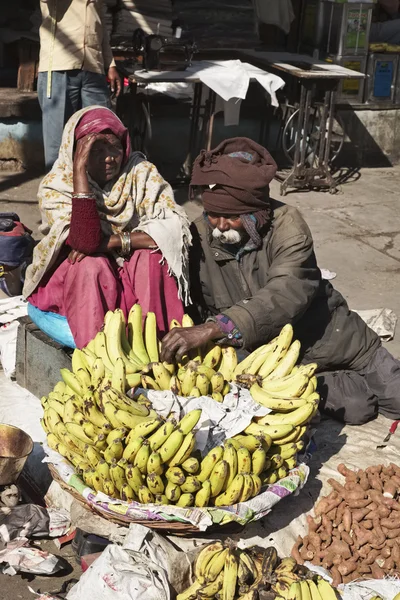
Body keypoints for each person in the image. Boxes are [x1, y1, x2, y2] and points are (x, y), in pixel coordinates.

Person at [160, 137, 400, 426]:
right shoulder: (200, 234)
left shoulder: (288, 225)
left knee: (396, 397)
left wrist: (213, 328)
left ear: (255, 211)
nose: (220, 226)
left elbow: (285, 293)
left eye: (230, 216)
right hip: (280, 361)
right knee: (358, 409)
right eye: (213, 215)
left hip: (333, 341)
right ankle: (325, 384)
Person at [23, 106, 191, 348]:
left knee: (151, 260)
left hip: (129, 276)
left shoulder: (140, 173)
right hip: (78, 282)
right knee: (91, 264)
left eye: (115, 147)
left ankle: (160, 345)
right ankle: (99, 356)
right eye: (96, 150)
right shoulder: (58, 184)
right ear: (75, 152)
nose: (110, 157)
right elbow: (85, 243)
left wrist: (113, 241)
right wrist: (80, 173)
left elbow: (173, 228)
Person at [38, 0, 122, 171]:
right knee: (58, 138)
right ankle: (56, 191)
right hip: (60, 66)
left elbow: (101, 27)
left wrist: (110, 63)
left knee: (101, 130)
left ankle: (94, 188)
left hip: (93, 65)